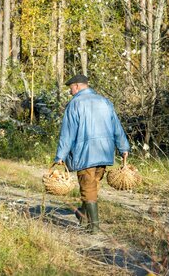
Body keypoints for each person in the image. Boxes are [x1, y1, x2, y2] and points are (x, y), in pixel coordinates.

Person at [54, 74, 130, 233]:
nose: (70, 92)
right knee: (92, 185)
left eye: (71, 88)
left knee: (88, 187)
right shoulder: (105, 101)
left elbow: (67, 133)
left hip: (85, 153)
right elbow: (117, 127)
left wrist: (60, 156)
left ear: (76, 86)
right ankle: (83, 216)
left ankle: (94, 227)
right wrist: (124, 148)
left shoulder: (75, 104)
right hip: (104, 152)